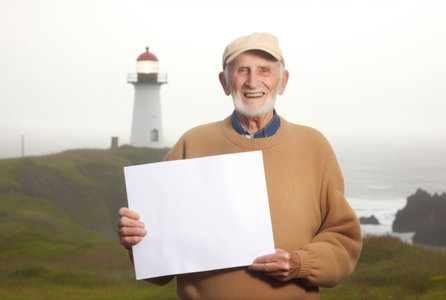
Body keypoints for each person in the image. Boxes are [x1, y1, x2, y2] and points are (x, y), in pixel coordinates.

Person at [117, 32, 362, 299]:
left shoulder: (315, 147)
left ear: (283, 81)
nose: (253, 81)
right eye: (242, 70)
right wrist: (136, 241)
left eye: (264, 70)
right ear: (225, 82)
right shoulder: (192, 143)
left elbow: (342, 241)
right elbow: (159, 271)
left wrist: (300, 264)